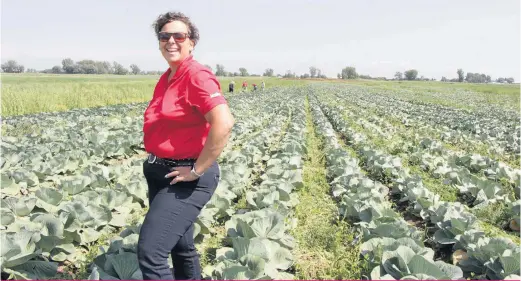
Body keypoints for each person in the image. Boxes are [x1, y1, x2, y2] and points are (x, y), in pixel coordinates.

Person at [138, 11, 235, 280]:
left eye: (179, 35)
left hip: (186, 177)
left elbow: (224, 123)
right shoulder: (167, 77)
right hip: (160, 172)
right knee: (181, 247)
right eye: (164, 36)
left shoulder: (196, 75)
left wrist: (196, 170)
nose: (171, 41)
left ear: (191, 42)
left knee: (151, 253)